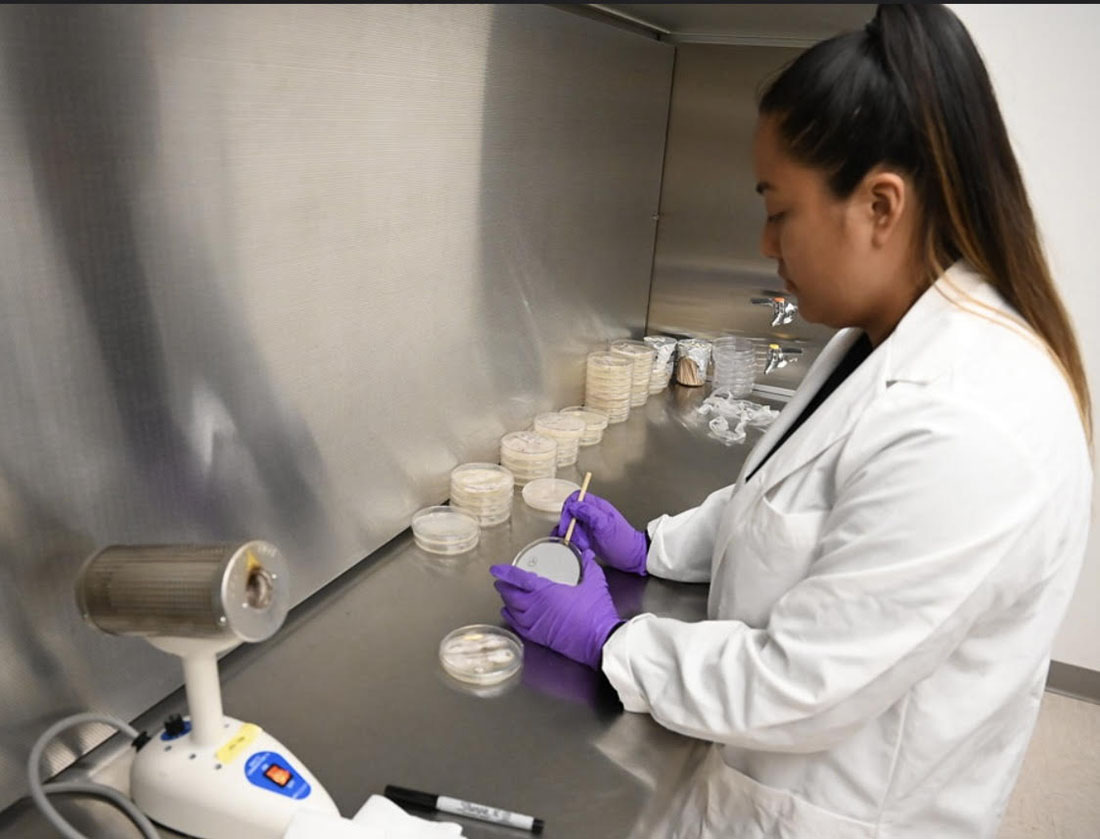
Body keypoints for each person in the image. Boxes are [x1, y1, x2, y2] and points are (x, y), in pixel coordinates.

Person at [489, 5, 1094, 838]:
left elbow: (803, 683)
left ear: (881, 205)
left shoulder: (970, 422)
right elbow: (794, 510)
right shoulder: (874, 340)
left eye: (780, 210)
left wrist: (613, 638)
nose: (768, 242)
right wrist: (657, 545)